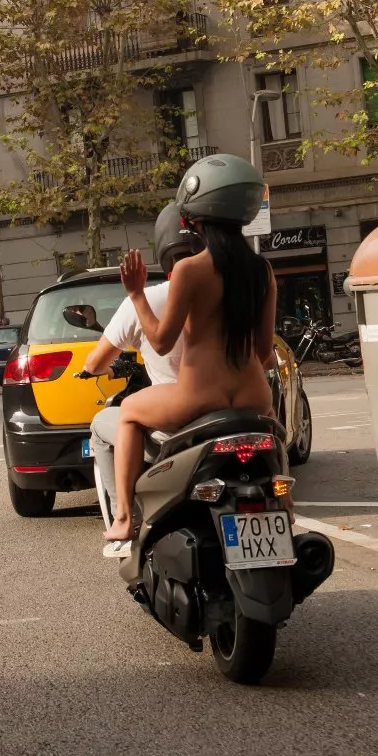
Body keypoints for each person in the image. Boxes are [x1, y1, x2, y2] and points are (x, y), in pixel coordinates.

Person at [102, 155, 278, 544]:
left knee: (128, 412)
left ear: (193, 219)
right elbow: (265, 352)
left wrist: (136, 295)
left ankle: (124, 518)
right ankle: (285, 508)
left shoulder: (190, 270)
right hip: (254, 397)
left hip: (197, 398)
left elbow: (162, 341)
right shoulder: (262, 272)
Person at [82, 203, 205, 557]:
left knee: (115, 419)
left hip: (178, 408)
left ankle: (125, 517)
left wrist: (136, 295)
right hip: (232, 401)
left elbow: (98, 360)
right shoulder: (228, 292)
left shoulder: (149, 298)